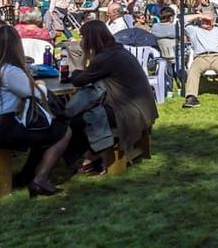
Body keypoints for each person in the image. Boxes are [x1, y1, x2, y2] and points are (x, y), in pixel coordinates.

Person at [0, 25, 71, 196]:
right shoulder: (9, 71)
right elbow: (35, 94)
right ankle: (41, 178)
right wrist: (41, 85)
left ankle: (28, 173)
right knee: (63, 130)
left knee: (44, 129)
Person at [67, 20, 159, 173]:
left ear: (91, 38)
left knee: (75, 119)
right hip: (144, 106)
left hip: (129, 111)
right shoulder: (116, 50)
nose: (81, 41)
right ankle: (91, 155)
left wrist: (81, 60)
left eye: (83, 37)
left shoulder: (106, 58)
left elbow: (79, 80)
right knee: (81, 114)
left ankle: (91, 157)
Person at [180, 12, 218, 107]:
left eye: (208, 20)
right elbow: (181, 20)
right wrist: (200, 15)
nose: (205, 22)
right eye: (203, 20)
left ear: (213, 22)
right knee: (193, 70)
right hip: (201, 57)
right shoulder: (194, 30)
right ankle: (191, 97)